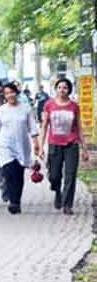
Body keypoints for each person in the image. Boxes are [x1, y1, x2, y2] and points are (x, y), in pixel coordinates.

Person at [0, 83, 40, 215]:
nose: (9, 95)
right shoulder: (1, 110)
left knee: (18, 175)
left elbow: (33, 128)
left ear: (16, 93)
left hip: (22, 145)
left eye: (11, 92)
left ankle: (16, 201)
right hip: (5, 146)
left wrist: (37, 145)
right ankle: (12, 202)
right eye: (6, 93)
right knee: (8, 172)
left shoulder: (26, 108)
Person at [40, 78, 88, 214]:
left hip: (71, 145)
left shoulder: (74, 106)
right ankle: (57, 191)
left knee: (70, 175)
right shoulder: (49, 105)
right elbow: (44, 126)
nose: (62, 90)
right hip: (54, 144)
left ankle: (67, 204)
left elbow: (79, 127)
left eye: (65, 88)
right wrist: (40, 145)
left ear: (69, 90)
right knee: (54, 175)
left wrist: (84, 148)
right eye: (59, 87)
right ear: (56, 89)